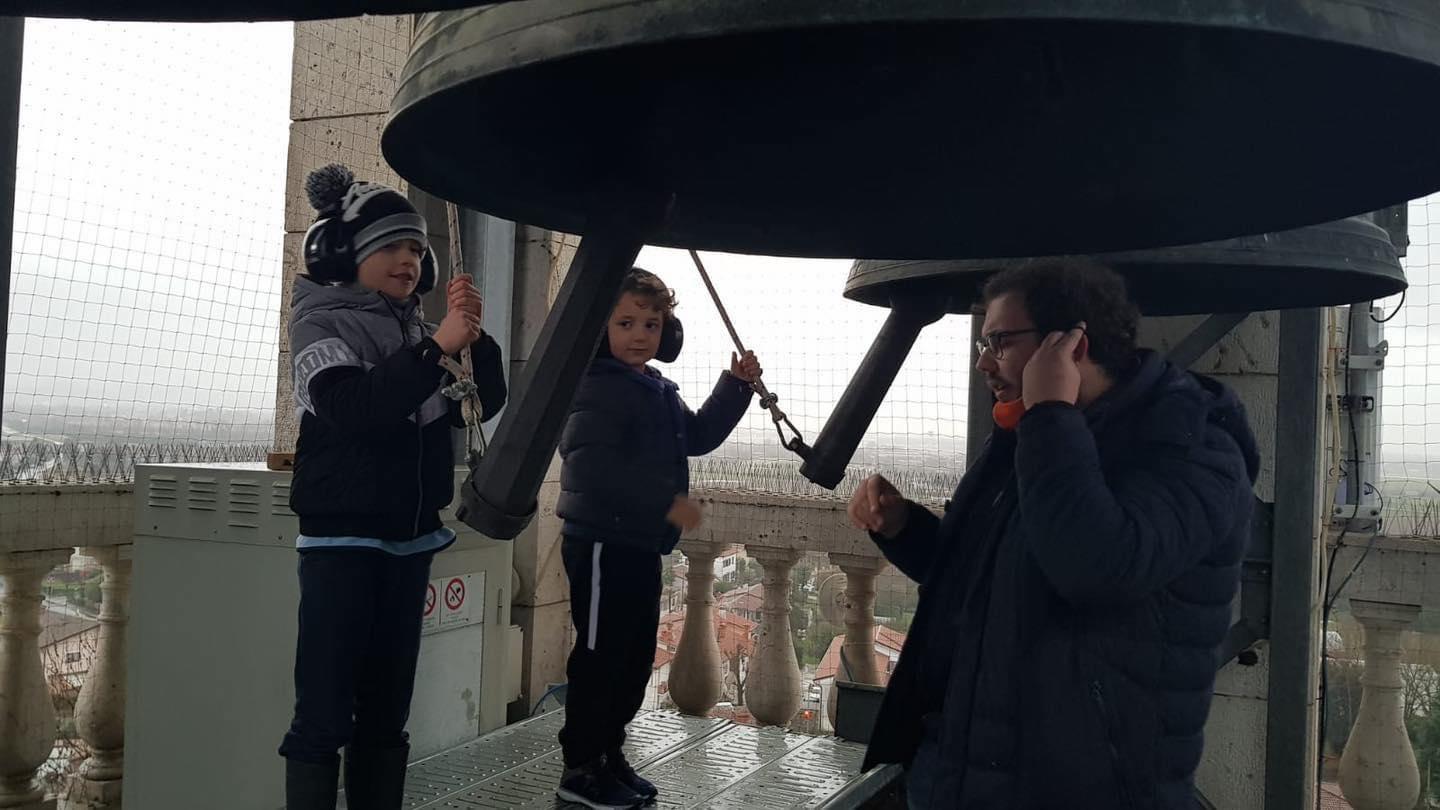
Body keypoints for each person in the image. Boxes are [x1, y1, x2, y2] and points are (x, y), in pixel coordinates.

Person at [849, 259, 1259, 809]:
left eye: (998, 342)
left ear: (1071, 346)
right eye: (981, 344)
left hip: (1079, 785)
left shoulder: (1193, 448)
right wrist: (902, 527)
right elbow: (987, 580)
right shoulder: (1039, 432)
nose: (984, 364)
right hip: (964, 770)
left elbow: (1094, 568)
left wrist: (1047, 417)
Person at [279, 164, 507, 810]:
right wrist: (436, 346)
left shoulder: (415, 328)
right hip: (342, 540)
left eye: (414, 249)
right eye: (389, 247)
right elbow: (353, 409)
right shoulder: (319, 325)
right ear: (345, 252)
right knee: (325, 706)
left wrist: (473, 338)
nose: (407, 260)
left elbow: (482, 402)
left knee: (387, 707)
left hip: (408, 541)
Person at [554, 268, 763, 809]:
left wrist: (736, 386)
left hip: (638, 542)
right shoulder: (595, 386)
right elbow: (598, 470)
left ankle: (608, 754)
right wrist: (665, 504)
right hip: (601, 543)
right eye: (625, 322)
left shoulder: (654, 388)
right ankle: (581, 768)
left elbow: (694, 436)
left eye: (652, 323)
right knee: (600, 657)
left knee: (630, 656)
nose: (641, 334)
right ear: (601, 329)